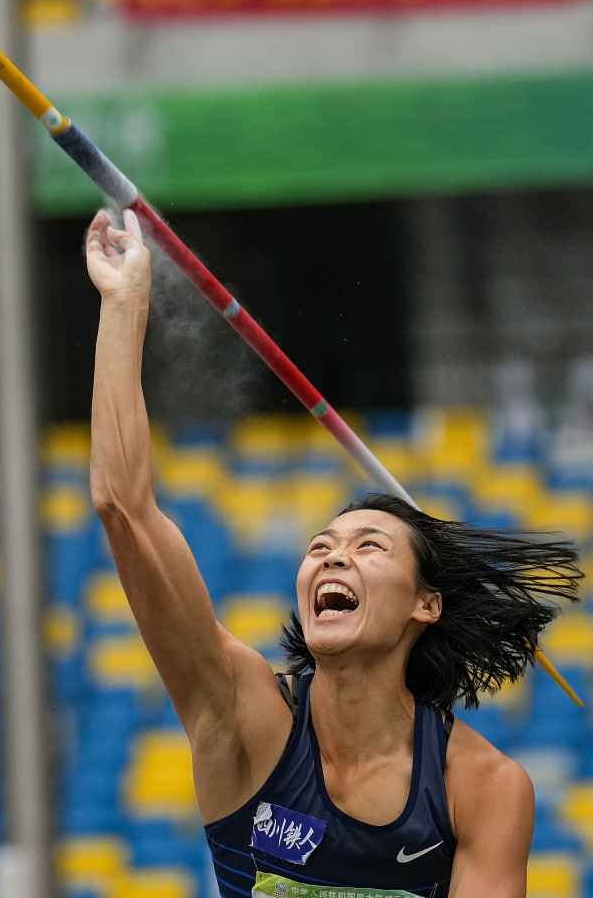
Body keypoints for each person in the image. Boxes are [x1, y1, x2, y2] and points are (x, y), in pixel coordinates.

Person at [86, 207, 583, 898]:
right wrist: (123, 302)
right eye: (319, 546)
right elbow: (122, 509)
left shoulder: (483, 788)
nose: (331, 557)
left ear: (424, 603)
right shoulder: (242, 719)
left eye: (367, 546)